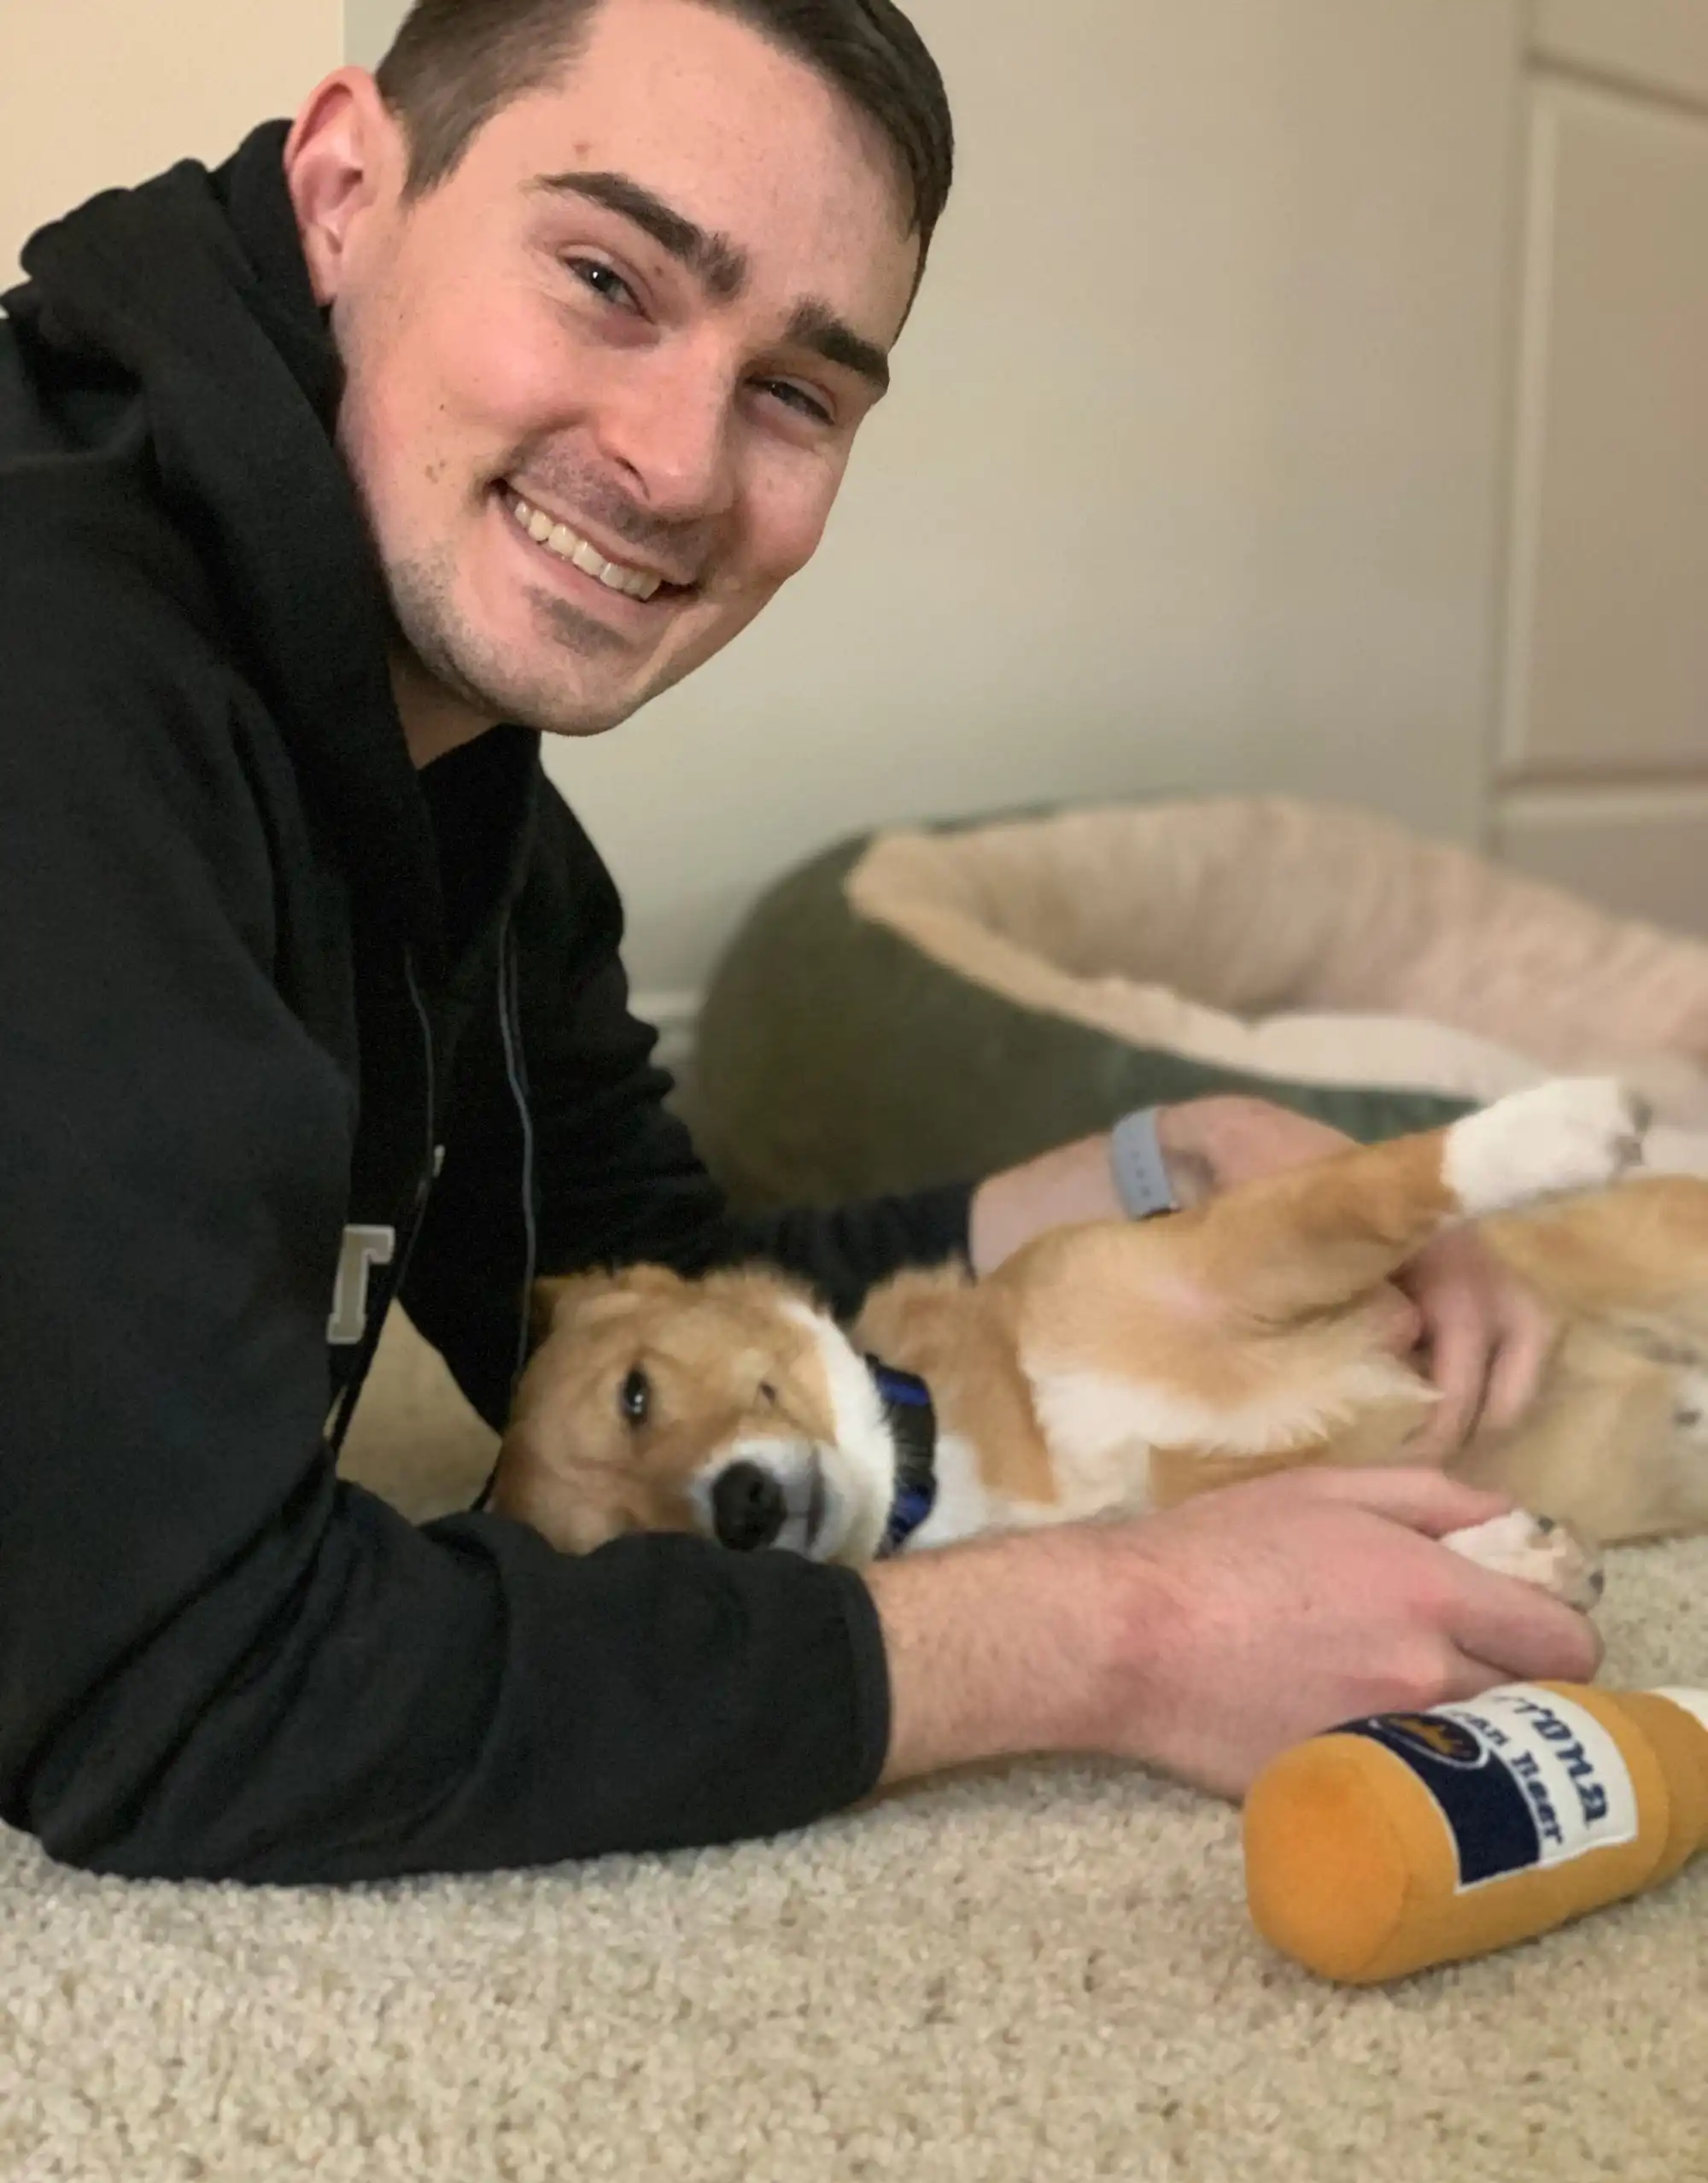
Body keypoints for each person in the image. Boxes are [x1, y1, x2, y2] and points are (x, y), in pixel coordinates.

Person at [0, 0, 1597, 1885]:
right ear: (347, 185)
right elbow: (180, 1692)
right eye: (609, 275)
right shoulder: (63, 673)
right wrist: (1123, 1628)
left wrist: (1162, 1161)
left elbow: (668, 1288)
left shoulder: (449, 781)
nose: (678, 464)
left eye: (798, 393)